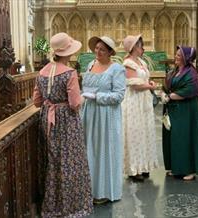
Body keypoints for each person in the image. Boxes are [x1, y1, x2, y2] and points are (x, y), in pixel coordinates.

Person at [33, 32, 93, 217]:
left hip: (48, 119)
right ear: (67, 52)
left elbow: (37, 101)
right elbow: (75, 103)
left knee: (53, 160)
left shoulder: (42, 72)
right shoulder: (69, 73)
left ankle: (52, 204)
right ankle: (72, 206)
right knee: (70, 160)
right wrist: (84, 97)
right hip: (67, 120)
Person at [81, 36, 126, 203]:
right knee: (89, 150)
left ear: (110, 52)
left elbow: (119, 96)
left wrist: (97, 96)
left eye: (102, 49)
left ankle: (104, 192)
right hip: (89, 114)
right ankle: (89, 190)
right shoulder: (90, 65)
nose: (97, 51)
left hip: (106, 116)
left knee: (104, 151)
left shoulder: (117, 69)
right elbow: (84, 88)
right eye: (96, 48)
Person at [161, 45, 198, 181]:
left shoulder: (191, 72)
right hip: (174, 110)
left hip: (187, 110)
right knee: (175, 139)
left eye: (179, 55)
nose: (176, 57)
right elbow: (166, 85)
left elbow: (189, 90)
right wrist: (163, 93)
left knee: (186, 138)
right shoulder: (175, 71)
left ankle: (190, 169)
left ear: (186, 58)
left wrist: (170, 97)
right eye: (176, 55)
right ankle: (176, 168)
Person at [122, 34, 159, 182]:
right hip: (134, 101)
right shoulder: (128, 63)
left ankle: (144, 166)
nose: (142, 47)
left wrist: (150, 83)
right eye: (140, 45)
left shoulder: (141, 62)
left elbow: (143, 79)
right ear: (133, 48)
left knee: (145, 132)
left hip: (144, 100)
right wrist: (149, 86)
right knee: (135, 133)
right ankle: (133, 168)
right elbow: (134, 84)